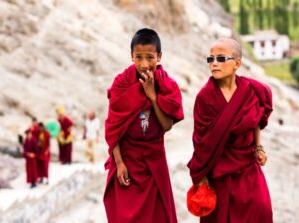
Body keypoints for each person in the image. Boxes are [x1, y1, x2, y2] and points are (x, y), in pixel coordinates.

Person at [187, 37, 273, 223]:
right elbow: (201, 141)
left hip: (248, 169)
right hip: (219, 174)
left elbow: (255, 120)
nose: (214, 64)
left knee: (262, 210)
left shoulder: (251, 90)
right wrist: (201, 177)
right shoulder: (205, 97)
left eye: (221, 58)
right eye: (211, 59)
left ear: (237, 63)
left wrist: (258, 147)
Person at [103, 28, 184, 223]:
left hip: (154, 162)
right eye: (138, 57)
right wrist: (119, 162)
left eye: (150, 57)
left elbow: (166, 125)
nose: (144, 64)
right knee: (124, 215)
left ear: (159, 56)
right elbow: (113, 127)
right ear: (131, 56)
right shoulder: (121, 83)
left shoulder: (166, 85)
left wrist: (153, 96)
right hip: (128, 160)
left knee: (157, 216)